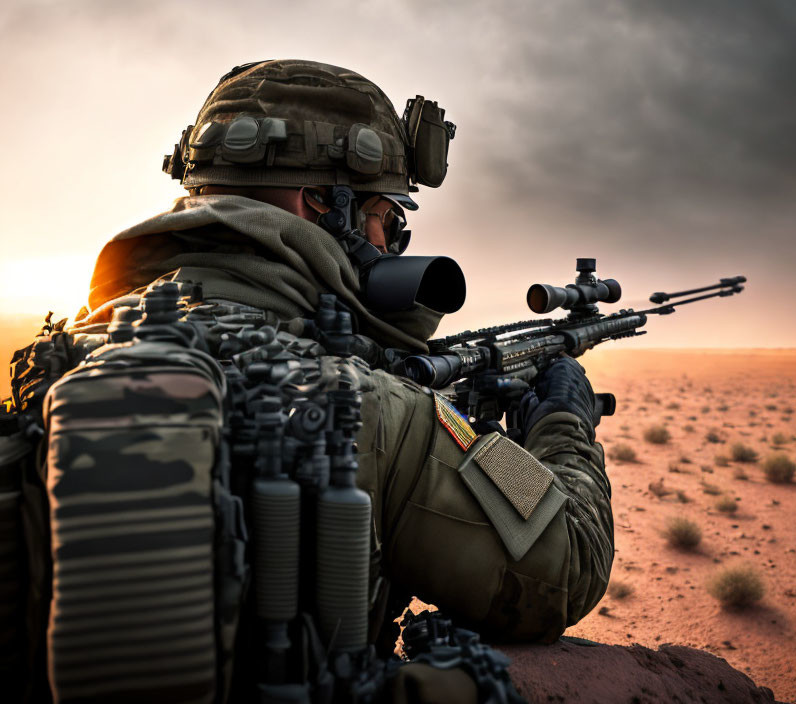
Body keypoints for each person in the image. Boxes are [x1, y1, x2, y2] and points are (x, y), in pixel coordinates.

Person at [3, 59, 613, 702]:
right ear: (320, 204)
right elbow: (566, 563)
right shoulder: (369, 407)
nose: (392, 243)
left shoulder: (66, 353)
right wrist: (563, 424)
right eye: (389, 220)